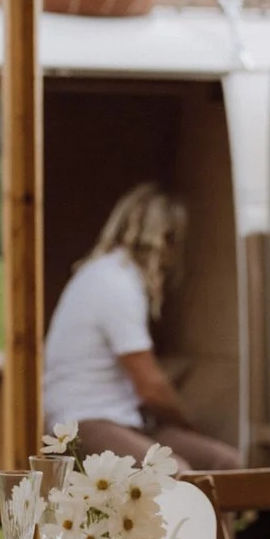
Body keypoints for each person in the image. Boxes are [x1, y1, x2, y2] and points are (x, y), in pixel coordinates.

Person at [42, 183, 241, 471]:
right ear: (167, 240)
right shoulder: (115, 283)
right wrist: (187, 425)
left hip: (124, 417)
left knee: (228, 464)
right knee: (177, 474)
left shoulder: (110, 274)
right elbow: (150, 386)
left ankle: (227, 518)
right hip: (84, 421)